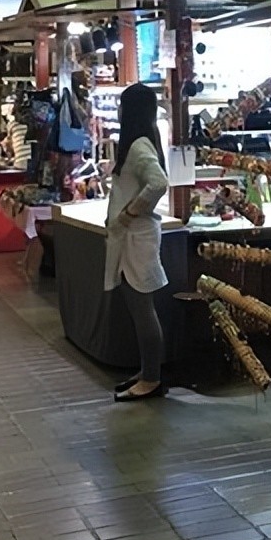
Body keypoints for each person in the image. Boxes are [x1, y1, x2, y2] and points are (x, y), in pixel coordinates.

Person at [104, 82, 170, 402]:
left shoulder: (139, 146)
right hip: (134, 237)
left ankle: (152, 378)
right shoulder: (140, 142)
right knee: (139, 308)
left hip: (137, 238)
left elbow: (158, 183)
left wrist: (129, 213)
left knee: (143, 309)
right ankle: (147, 371)